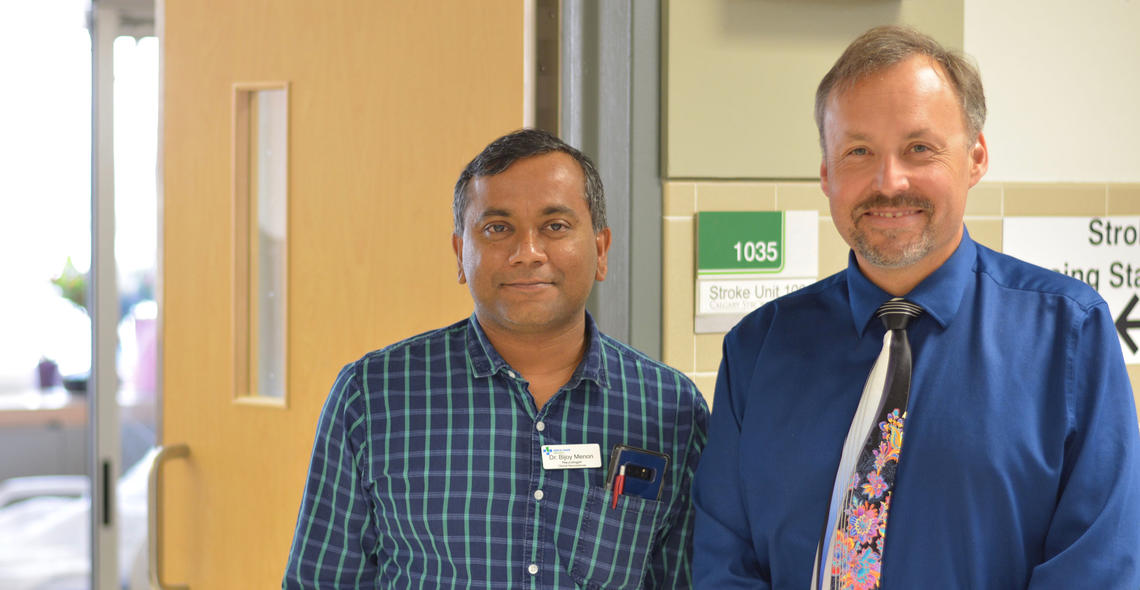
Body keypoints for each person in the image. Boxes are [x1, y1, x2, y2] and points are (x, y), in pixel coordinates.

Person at [691, 25, 1140, 589]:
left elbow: (1095, 569)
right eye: (858, 152)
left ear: (975, 157)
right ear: (826, 173)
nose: (889, 181)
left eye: (919, 148)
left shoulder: (1070, 336)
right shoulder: (759, 349)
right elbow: (722, 563)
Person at [283, 128, 708, 589]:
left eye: (556, 226)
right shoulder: (373, 396)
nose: (527, 253)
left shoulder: (670, 407)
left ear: (601, 250)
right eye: (497, 229)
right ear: (460, 254)